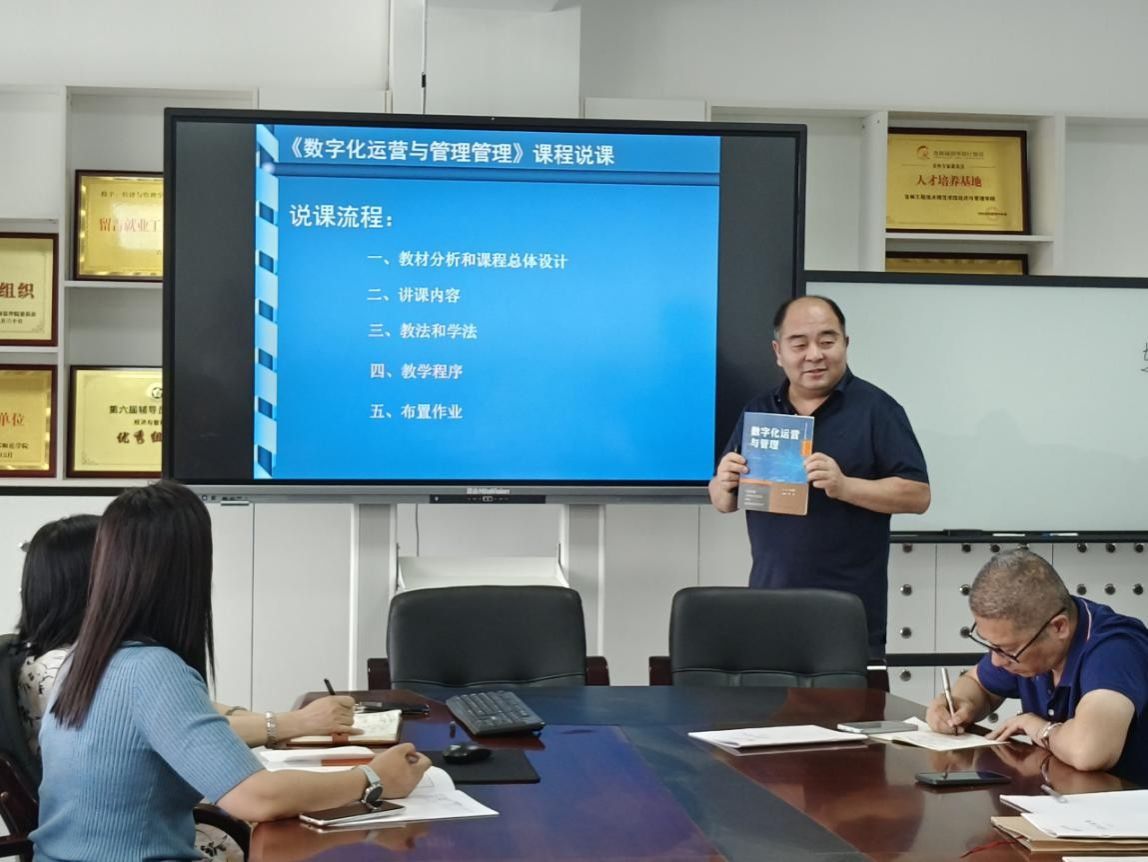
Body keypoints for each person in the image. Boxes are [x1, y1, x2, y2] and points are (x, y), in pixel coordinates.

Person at [32, 482, 430, 862]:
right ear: (187, 573)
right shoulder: (152, 671)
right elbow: (257, 798)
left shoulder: (80, 662)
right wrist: (373, 778)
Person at [15, 513, 362, 757]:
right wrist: (295, 723)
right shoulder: (66, 670)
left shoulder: (68, 658)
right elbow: (186, 732)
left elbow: (189, 711)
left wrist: (275, 720)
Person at [708, 295, 930, 655]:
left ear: (846, 343)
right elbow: (722, 500)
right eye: (799, 344)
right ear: (778, 352)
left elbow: (918, 495)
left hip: (848, 612)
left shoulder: (878, 410)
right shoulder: (760, 410)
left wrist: (845, 486)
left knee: (847, 695)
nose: (814, 354)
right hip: (769, 606)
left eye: (827, 341)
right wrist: (723, 482)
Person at [925, 549, 1148, 785]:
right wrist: (960, 704)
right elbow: (977, 684)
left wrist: (1039, 728)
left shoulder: (1114, 650)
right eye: (991, 645)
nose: (996, 661)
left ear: (1059, 627)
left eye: (1007, 649)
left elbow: (1089, 751)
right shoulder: (1028, 642)